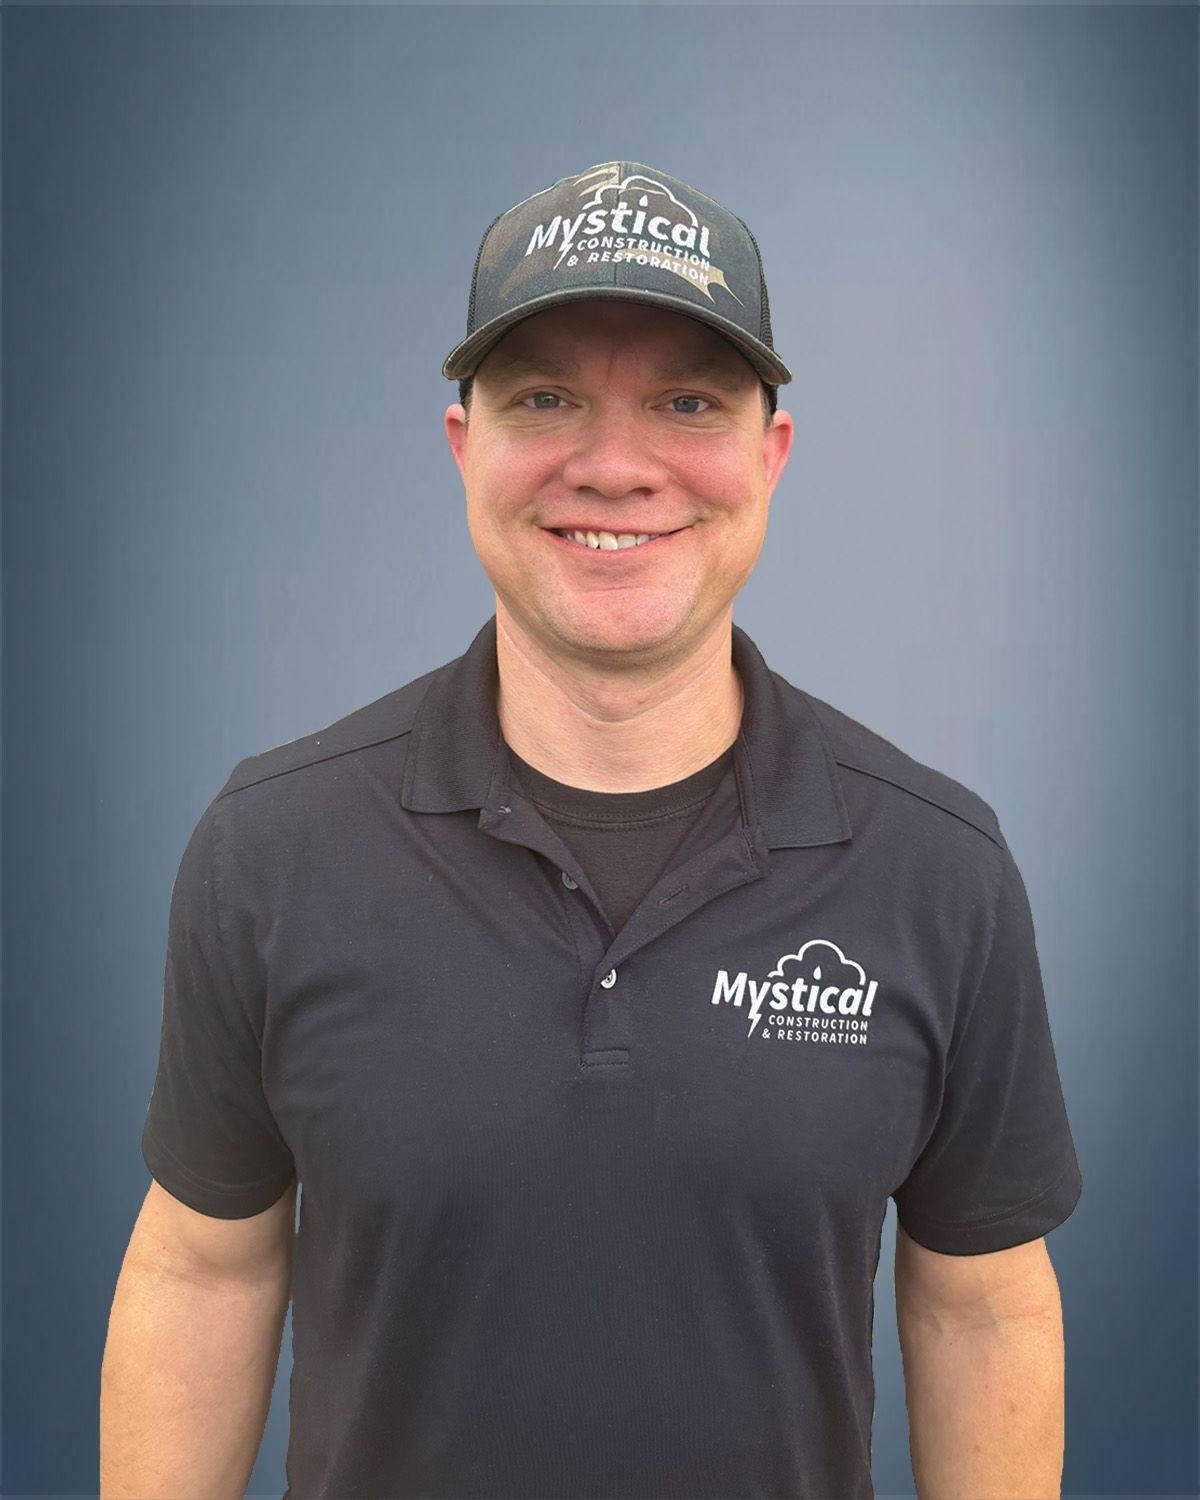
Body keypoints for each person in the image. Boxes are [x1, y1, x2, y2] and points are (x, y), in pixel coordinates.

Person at [101, 160, 1083, 1500]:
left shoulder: (936, 870)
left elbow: (981, 1307)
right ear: (464, 445)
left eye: (687, 400)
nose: (614, 465)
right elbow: (204, 1268)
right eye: (545, 397)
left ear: (769, 454)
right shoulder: (272, 848)